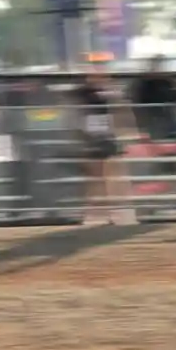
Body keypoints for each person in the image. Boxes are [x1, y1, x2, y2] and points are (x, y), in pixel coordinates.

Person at [75, 55, 136, 227]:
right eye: (95, 66)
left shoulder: (112, 90)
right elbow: (77, 114)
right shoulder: (82, 91)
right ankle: (94, 215)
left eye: (101, 66)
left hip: (109, 136)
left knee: (115, 175)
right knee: (95, 178)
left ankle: (119, 215)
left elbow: (123, 112)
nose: (98, 70)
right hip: (89, 138)